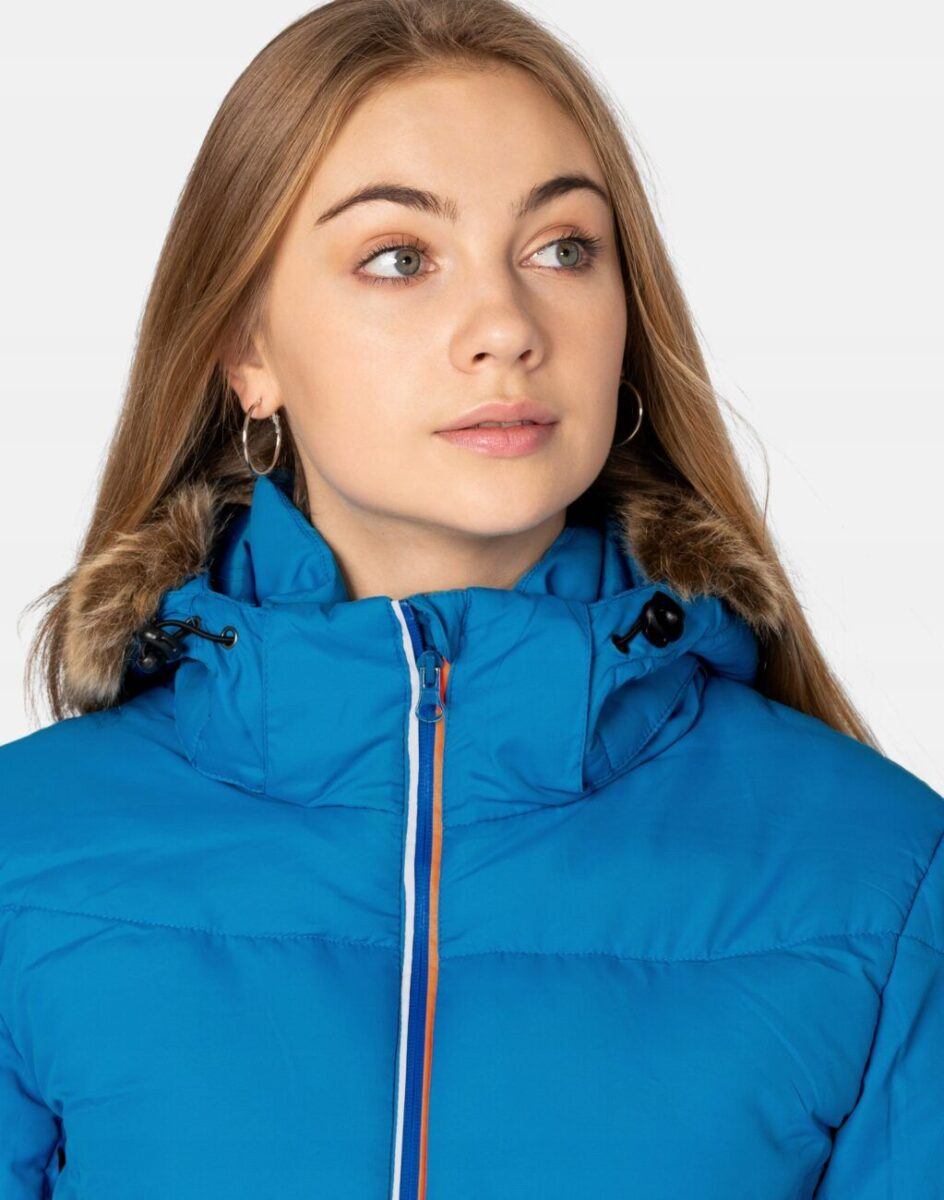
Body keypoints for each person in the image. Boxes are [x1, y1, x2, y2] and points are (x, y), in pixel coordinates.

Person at [2, 0, 942, 1196]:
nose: (505, 327)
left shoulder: (878, 875)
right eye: (399, 258)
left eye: (561, 249)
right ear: (248, 350)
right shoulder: (24, 856)